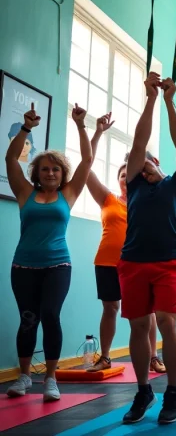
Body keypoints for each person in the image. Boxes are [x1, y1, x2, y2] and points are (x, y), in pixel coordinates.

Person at [5, 103, 96, 402]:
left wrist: (81, 126)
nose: (51, 172)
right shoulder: (24, 192)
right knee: (28, 318)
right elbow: (10, 158)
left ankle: (51, 379)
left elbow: (87, 159)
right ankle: (23, 377)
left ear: (62, 173)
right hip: (23, 266)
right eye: (45, 169)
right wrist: (26, 128)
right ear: (37, 173)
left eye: (56, 168)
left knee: (51, 316)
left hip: (58, 265)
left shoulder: (67, 194)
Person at [118, 74, 176, 424]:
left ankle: (173, 391)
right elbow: (138, 142)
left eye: (150, 161)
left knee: (167, 321)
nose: (144, 163)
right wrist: (149, 98)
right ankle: (144, 390)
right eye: (139, 161)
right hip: (132, 263)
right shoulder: (132, 186)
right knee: (138, 327)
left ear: (160, 166)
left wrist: (168, 101)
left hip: (169, 263)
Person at [85, 139, 166, 372]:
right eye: (122, 175)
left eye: (129, 174)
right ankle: (106, 357)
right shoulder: (108, 199)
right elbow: (87, 168)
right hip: (107, 262)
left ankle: (153, 357)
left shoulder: (149, 202)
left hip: (139, 263)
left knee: (147, 311)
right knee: (110, 308)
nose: (125, 178)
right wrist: (96, 134)